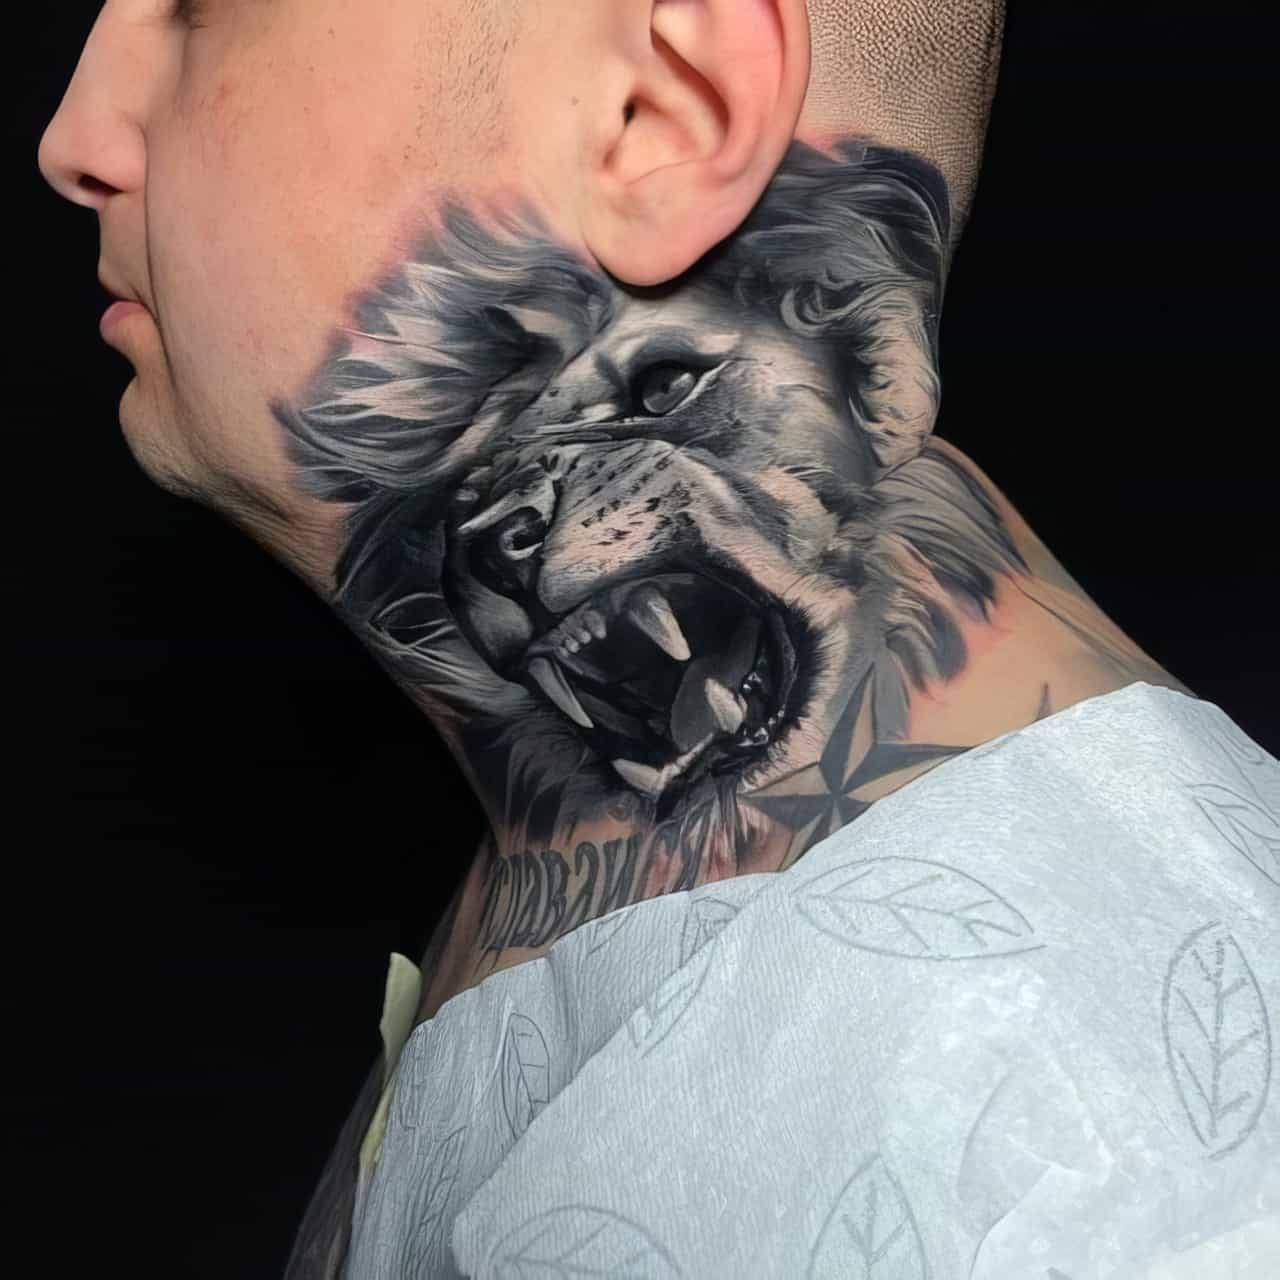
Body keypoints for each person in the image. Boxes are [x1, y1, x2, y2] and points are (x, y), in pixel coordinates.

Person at [38, 3, 1278, 1277]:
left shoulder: (1106, 1167)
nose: (72, 141)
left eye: (197, 11)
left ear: (665, 112)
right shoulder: (578, 887)